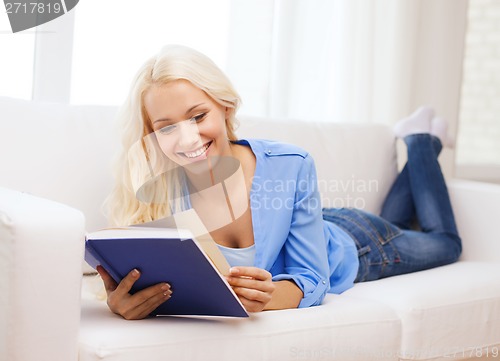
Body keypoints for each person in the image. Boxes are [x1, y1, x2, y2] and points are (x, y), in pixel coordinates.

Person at [97, 45, 461, 320]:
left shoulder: (291, 163)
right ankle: (418, 145)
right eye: (167, 128)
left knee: (445, 245)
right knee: (398, 221)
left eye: (198, 116)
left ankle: (420, 142)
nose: (188, 138)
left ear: (224, 106)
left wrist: (268, 298)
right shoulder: (156, 194)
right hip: (315, 223)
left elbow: (314, 279)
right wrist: (121, 302)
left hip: (357, 243)